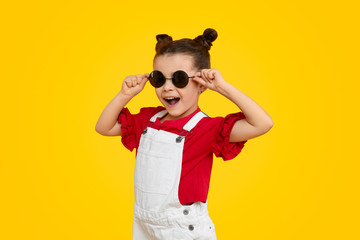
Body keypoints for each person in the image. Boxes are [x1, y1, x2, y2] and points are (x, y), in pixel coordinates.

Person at [95, 28, 273, 240]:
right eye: (159, 78)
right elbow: (103, 128)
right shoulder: (147, 120)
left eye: (179, 79)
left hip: (183, 229)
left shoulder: (206, 128)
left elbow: (262, 123)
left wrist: (222, 87)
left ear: (201, 83)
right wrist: (124, 96)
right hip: (144, 226)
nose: (167, 88)